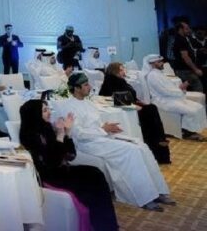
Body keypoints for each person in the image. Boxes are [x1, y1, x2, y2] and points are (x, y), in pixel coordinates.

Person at [51, 72, 172, 209]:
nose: (89, 87)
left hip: (101, 137)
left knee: (141, 146)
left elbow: (96, 124)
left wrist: (108, 127)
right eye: (86, 85)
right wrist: (103, 129)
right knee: (131, 151)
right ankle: (144, 197)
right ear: (76, 88)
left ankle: (158, 191)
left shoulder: (88, 103)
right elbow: (78, 134)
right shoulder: (68, 107)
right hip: (87, 144)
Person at [18, 99, 118, 231]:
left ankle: (104, 224)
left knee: (96, 173)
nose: (49, 112)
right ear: (35, 114)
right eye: (45, 110)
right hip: (48, 175)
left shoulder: (47, 128)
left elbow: (71, 155)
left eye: (48, 109)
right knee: (91, 182)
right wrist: (60, 135)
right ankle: (102, 224)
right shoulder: (30, 135)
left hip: (61, 170)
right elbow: (52, 162)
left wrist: (68, 133)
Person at [99, 62, 169, 163]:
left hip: (132, 106)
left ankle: (159, 139)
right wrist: (135, 105)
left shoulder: (119, 80)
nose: (124, 72)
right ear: (115, 71)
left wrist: (138, 102)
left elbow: (129, 96)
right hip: (126, 109)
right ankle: (159, 140)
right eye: (121, 70)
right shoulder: (112, 82)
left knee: (152, 108)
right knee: (151, 111)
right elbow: (114, 98)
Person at [144, 54, 206, 140]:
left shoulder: (159, 73)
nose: (162, 63)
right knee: (191, 111)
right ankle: (187, 132)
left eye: (161, 61)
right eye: (159, 62)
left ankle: (191, 130)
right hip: (163, 101)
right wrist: (180, 91)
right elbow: (164, 91)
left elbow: (169, 87)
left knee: (198, 106)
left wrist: (180, 89)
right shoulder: (152, 76)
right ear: (152, 64)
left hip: (172, 98)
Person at [167, 21, 204, 93]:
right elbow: (185, 57)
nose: (189, 30)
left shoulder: (184, 38)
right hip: (184, 70)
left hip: (183, 70)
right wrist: (196, 69)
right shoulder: (180, 40)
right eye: (186, 29)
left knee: (188, 89)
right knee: (198, 88)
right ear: (181, 29)